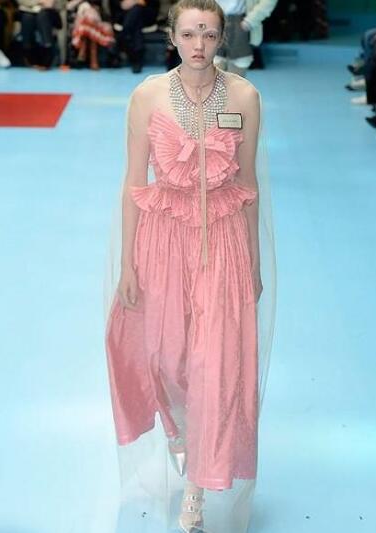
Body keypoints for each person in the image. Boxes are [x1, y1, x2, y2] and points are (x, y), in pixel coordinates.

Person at [104, 0, 276, 531]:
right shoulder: (148, 96)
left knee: (215, 363)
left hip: (222, 240)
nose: (198, 44)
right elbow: (133, 183)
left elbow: (247, 184)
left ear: (222, 38)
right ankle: (181, 432)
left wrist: (253, 262)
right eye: (188, 34)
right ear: (172, 37)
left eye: (208, 33)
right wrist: (128, 262)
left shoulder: (244, 96)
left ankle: (197, 489)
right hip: (162, 238)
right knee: (163, 355)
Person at [214, 0, 278, 77]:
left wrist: (250, 21)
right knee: (213, 78)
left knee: (235, 77)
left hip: (239, 22)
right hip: (212, 20)